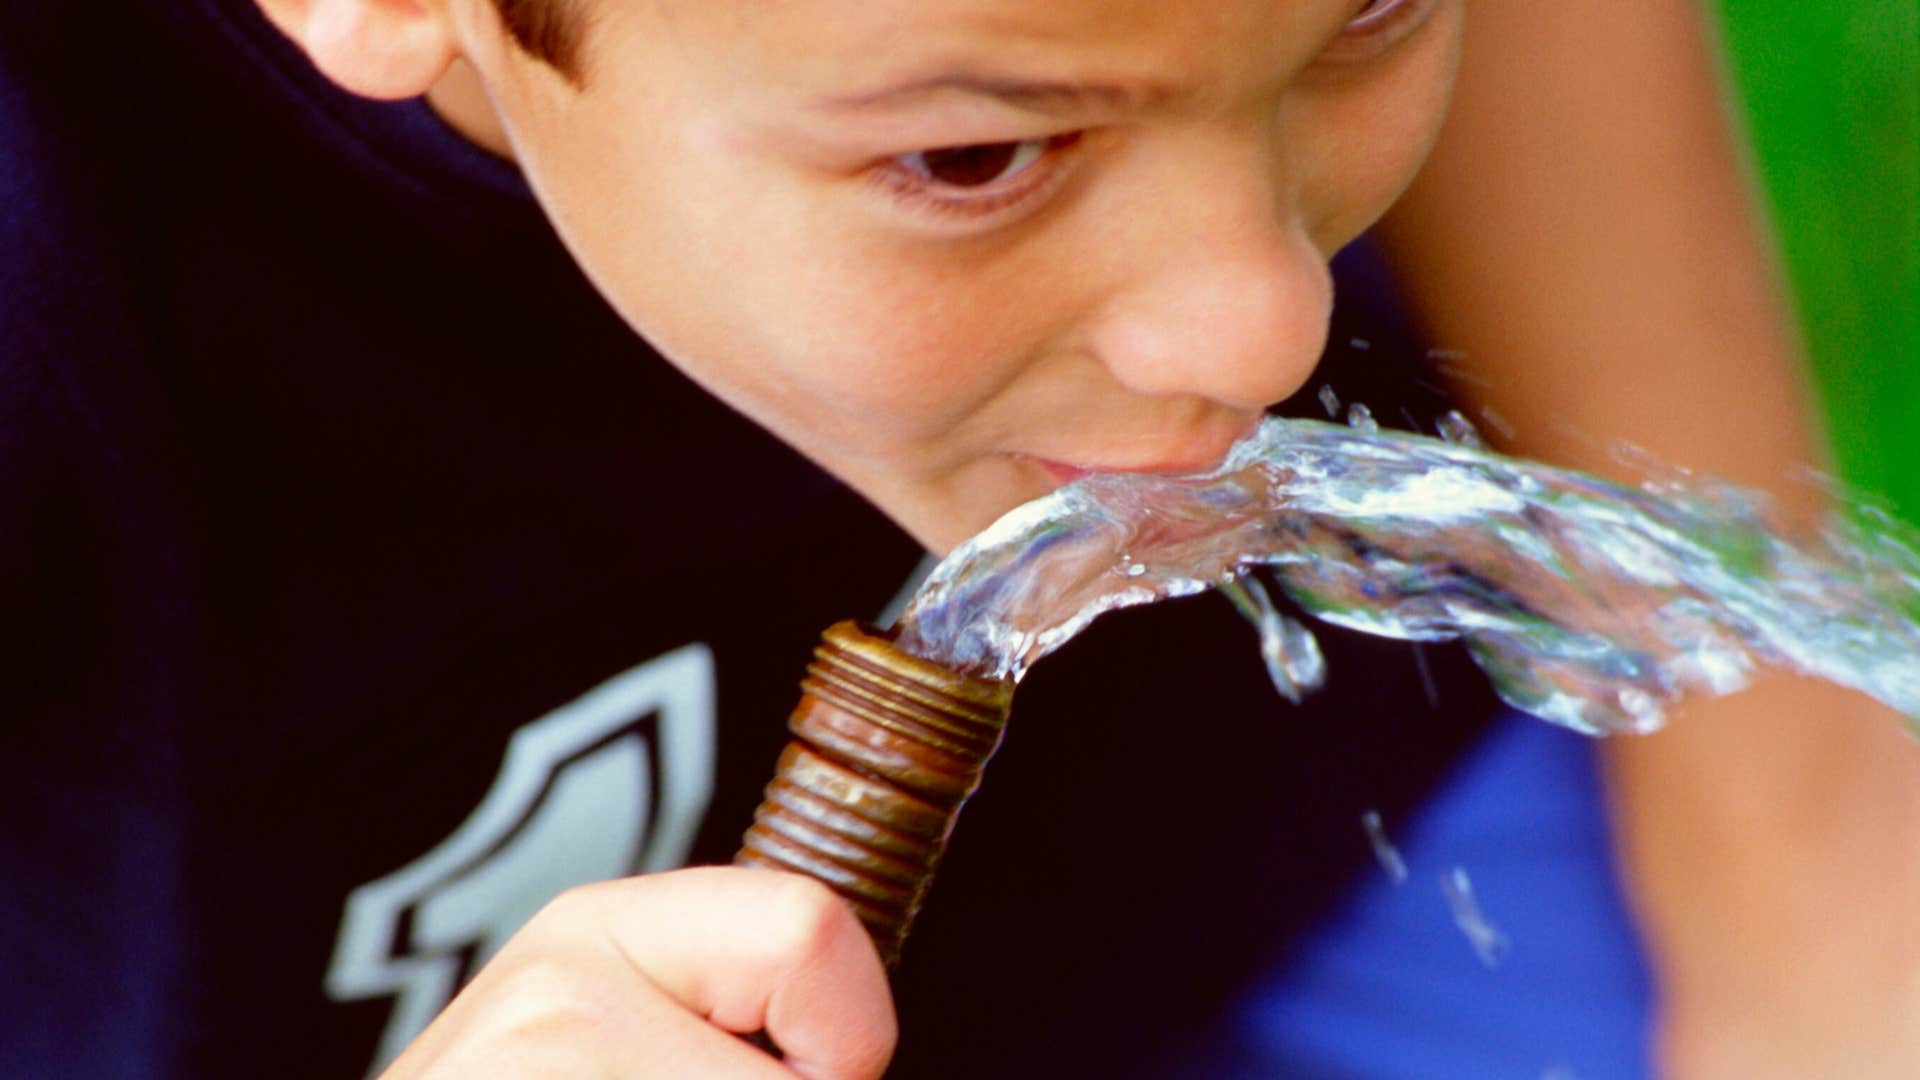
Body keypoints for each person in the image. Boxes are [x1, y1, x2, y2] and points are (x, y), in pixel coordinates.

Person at [3, 1, 1914, 1078]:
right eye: (979, 155)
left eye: (1374, 19)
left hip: (1319, 809)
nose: (1264, 323)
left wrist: (1799, 843)